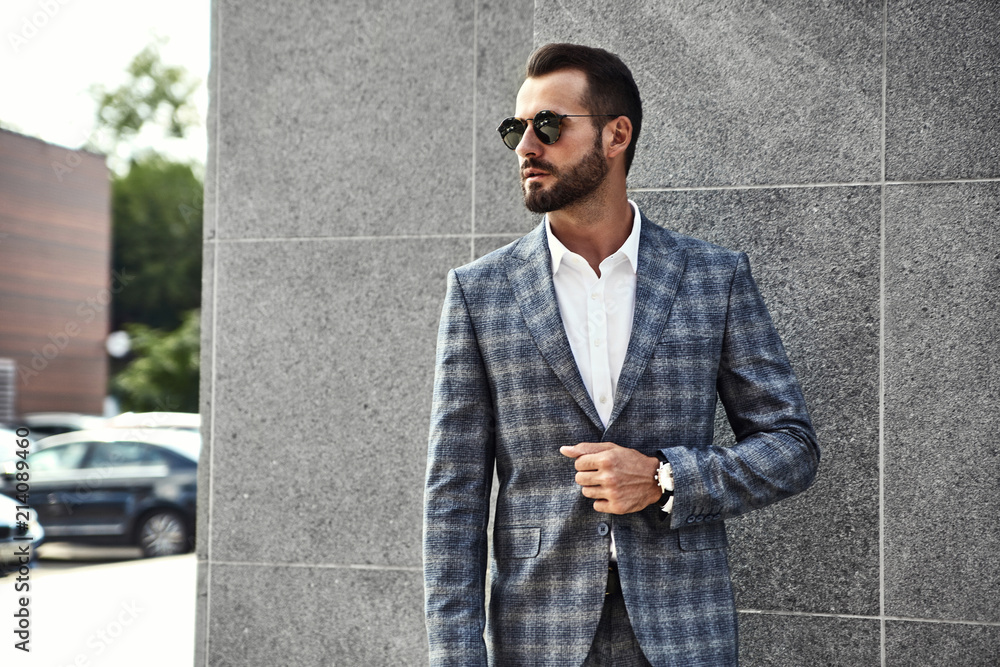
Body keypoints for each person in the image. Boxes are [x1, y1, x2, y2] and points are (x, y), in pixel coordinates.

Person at [423, 42, 819, 667]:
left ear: (616, 135)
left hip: (683, 632)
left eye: (548, 126)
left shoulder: (712, 277)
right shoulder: (480, 292)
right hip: (539, 636)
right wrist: (455, 657)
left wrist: (665, 478)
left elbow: (791, 446)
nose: (526, 147)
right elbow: (454, 498)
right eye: (515, 129)